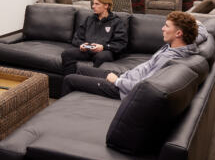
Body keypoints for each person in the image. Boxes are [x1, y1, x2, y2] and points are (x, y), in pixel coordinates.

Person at [61, 11, 206, 99]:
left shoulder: (168, 58)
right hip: (127, 76)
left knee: (69, 79)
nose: (162, 28)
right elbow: (202, 32)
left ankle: (59, 113)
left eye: (166, 26)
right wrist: (195, 21)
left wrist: (117, 81)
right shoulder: (185, 43)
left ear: (179, 33)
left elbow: (143, 87)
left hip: (121, 88)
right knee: (81, 70)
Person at [60, 0, 128, 76]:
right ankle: (71, 79)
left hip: (105, 51)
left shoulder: (116, 22)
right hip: (88, 50)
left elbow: (121, 43)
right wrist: (81, 44)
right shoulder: (89, 19)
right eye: (93, 3)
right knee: (66, 54)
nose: (93, 6)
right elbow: (76, 37)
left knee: (100, 56)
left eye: (97, 4)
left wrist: (103, 47)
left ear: (106, 6)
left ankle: (90, 83)